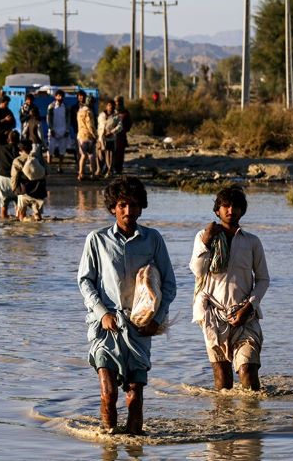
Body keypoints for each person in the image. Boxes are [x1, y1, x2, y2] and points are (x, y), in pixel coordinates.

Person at [77, 176, 177, 435]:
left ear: (141, 207)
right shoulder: (96, 240)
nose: (128, 211)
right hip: (105, 329)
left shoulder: (153, 239)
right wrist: (102, 313)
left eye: (133, 205)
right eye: (122, 205)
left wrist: (156, 320)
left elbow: (169, 285)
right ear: (113, 208)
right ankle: (108, 444)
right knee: (108, 394)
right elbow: (85, 281)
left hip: (139, 328)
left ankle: (135, 446)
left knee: (134, 397)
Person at [189, 186, 269, 391]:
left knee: (248, 373)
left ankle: (253, 420)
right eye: (225, 206)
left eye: (235, 206)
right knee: (223, 381)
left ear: (242, 210)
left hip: (245, 315)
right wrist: (207, 241)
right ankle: (224, 422)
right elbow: (197, 270)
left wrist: (249, 307)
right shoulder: (204, 236)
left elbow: (262, 279)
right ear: (217, 210)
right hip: (213, 316)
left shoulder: (252, 242)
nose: (230, 210)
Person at [10, 140, 47, 221]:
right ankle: (37, 221)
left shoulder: (17, 160)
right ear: (31, 148)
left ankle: (24, 231)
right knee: (37, 214)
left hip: (24, 190)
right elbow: (46, 171)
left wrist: (13, 188)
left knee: (21, 215)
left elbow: (14, 176)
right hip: (38, 190)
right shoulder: (37, 158)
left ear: (20, 150)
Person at [0, 130, 20, 219]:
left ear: (8, 139)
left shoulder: (0, 149)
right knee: (18, 206)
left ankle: (4, 227)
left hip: (3, 178)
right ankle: (19, 229)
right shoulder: (20, 150)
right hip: (16, 180)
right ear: (18, 140)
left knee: (4, 206)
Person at [46, 90, 71, 173]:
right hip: (53, 132)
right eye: (58, 96)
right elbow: (48, 119)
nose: (60, 98)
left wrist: (67, 130)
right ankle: (49, 167)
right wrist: (51, 129)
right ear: (55, 97)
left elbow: (68, 119)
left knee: (62, 151)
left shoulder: (66, 107)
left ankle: (60, 167)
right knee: (50, 150)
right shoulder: (51, 106)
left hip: (63, 131)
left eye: (62, 96)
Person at [96, 100, 121, 178]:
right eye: (109, 105)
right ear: (107, 106)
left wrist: (112, 132)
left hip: (111, 139)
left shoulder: (116, 116)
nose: (111, 107)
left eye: (113, 106)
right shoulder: (101, 115)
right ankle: (99, 170)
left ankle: (109, 172)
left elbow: (120, 126)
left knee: (110, 156)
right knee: (99, 156)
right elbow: (99, 126)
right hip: (101, 138)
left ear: (114, 107)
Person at [76, 95, 97, 181]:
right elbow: (90, 125)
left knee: (83, 155)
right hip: (88, 136)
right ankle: (93, 174)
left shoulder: (80, 111)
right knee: (91, 155)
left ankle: (81, 174)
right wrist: (95, 135)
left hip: (80, 135)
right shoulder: (89, 112)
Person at [113, 96, 132, 175]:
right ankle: (111, 168)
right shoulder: (112, 111)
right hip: (112, 135)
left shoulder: (125, 112)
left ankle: (118, 169)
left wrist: (124, 130)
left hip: (121, 136)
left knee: (120, 153)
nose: (117, 103)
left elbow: (129, 123)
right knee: (111, 153)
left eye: (119, 101)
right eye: (116, 101)